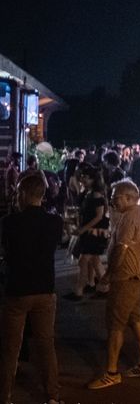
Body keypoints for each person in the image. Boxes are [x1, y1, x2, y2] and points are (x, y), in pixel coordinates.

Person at [0, 173, 63, 404]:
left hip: (17, 289)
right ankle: (53, 395)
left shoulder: (10, 222)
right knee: (46, 345)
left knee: (10, 348)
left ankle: (5, 396)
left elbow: (6, 251)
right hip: (45, 289)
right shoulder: (55, 222)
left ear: (24, 194)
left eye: (18, 193)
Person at [87, 181, 140, 390]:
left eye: (116, 196)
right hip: (138, 277)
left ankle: (112, 372)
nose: (112, 200)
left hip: (125, 278)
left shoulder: (129, 218)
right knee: (136, 320)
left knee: (115, 325)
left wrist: (108, 274)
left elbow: (121, 249)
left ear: (128, 197)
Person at [63, 163, 110, 301]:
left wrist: (83, 229)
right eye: (82, 177)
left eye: (85, 177)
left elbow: (99, 216)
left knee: (84, 261)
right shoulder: (89, 193)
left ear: (93, 179)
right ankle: (104, 288)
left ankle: (79, 291)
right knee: (94, 261)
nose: (82, 179)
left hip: (94, 233)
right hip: (91, 232)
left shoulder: (96, 195)